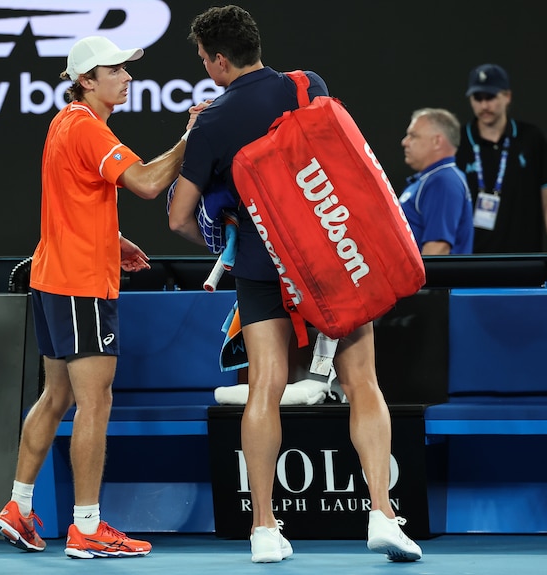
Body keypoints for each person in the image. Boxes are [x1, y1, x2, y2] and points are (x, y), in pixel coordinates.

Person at [168, 5, 422, 564]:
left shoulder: (211, 121)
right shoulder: (309, 85)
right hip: (335, 259)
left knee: (265, 389)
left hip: (262, 269)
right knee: (364, 384)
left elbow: (178, 217)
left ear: (216, 61)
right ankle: (382, 513)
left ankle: (263, 529)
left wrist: (224, 243)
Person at [0, 35, 194, 559]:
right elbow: (148, 183)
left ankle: (17, 506)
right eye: (116, 70)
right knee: (93, 403)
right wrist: (193, 136)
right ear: (87, 81)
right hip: (81, 285)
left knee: (56, 396)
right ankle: (86, 526)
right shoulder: (86, 129)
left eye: (127, 69)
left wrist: (112, 237)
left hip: (53, 277)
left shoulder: (65, 123)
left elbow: (71, 196)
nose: (127, 77)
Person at [455, 63, 547, 253]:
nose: (484, 105)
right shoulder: (458, 140)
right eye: (477, 98)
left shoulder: (530, 138)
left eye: (490, 97)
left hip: (524, 259)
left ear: (507, 96)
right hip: (471, 260)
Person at [400, 108, 474, 255]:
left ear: (437, 141)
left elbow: (438, 249)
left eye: (413, 136)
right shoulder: (431, 179)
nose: (405, 142)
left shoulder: (443, 181)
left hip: (435, 279)